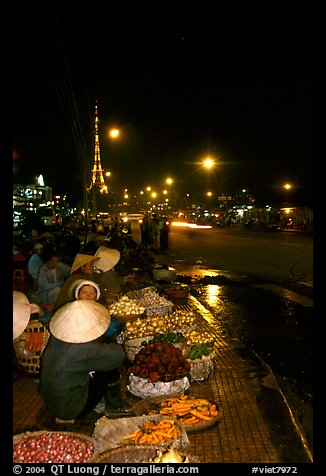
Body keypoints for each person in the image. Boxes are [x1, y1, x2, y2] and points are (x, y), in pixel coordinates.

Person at [39, 300, 131, 424]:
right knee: (109, 367)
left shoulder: (57, 337)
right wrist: (110, 337)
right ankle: (114, 406)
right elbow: (118, 355)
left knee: (98, 361)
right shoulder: (82, 349)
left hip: (53, 400)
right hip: (70, 408)